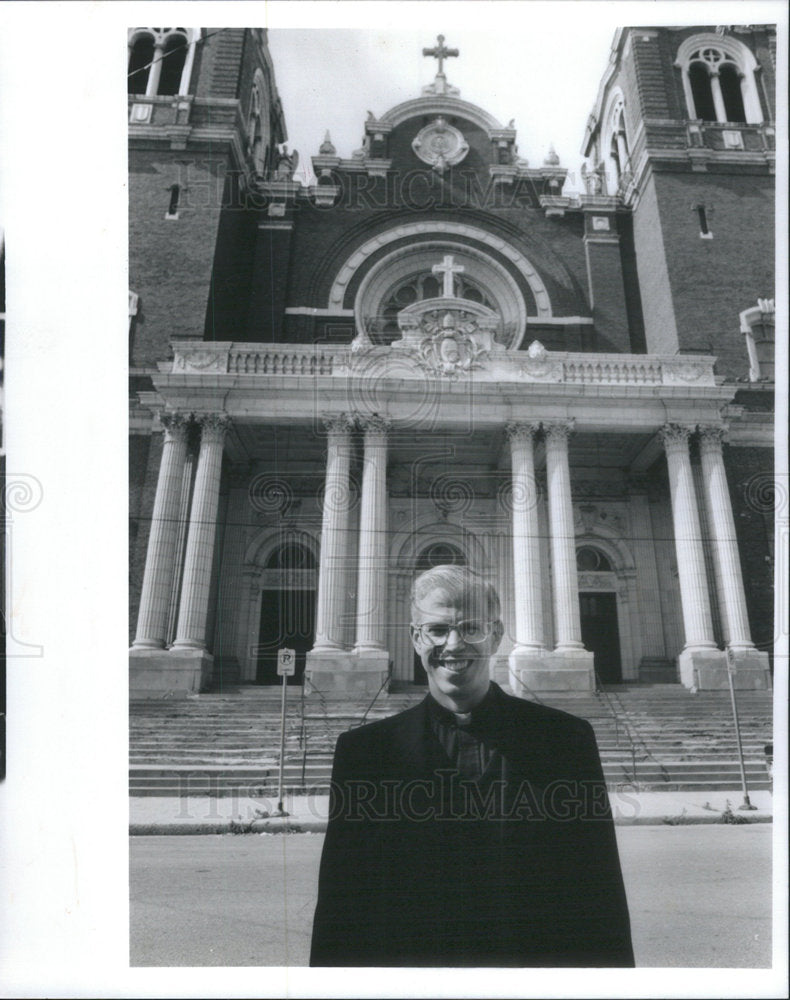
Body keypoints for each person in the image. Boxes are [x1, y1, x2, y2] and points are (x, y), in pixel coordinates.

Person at [309, 565, 634, 968]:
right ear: (416, 639)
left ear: (496, 636)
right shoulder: (365, 754)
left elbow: (598, 896)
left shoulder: (566, 742)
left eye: (471, 628)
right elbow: (343, 910)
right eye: (438, 630)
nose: (454, 644)